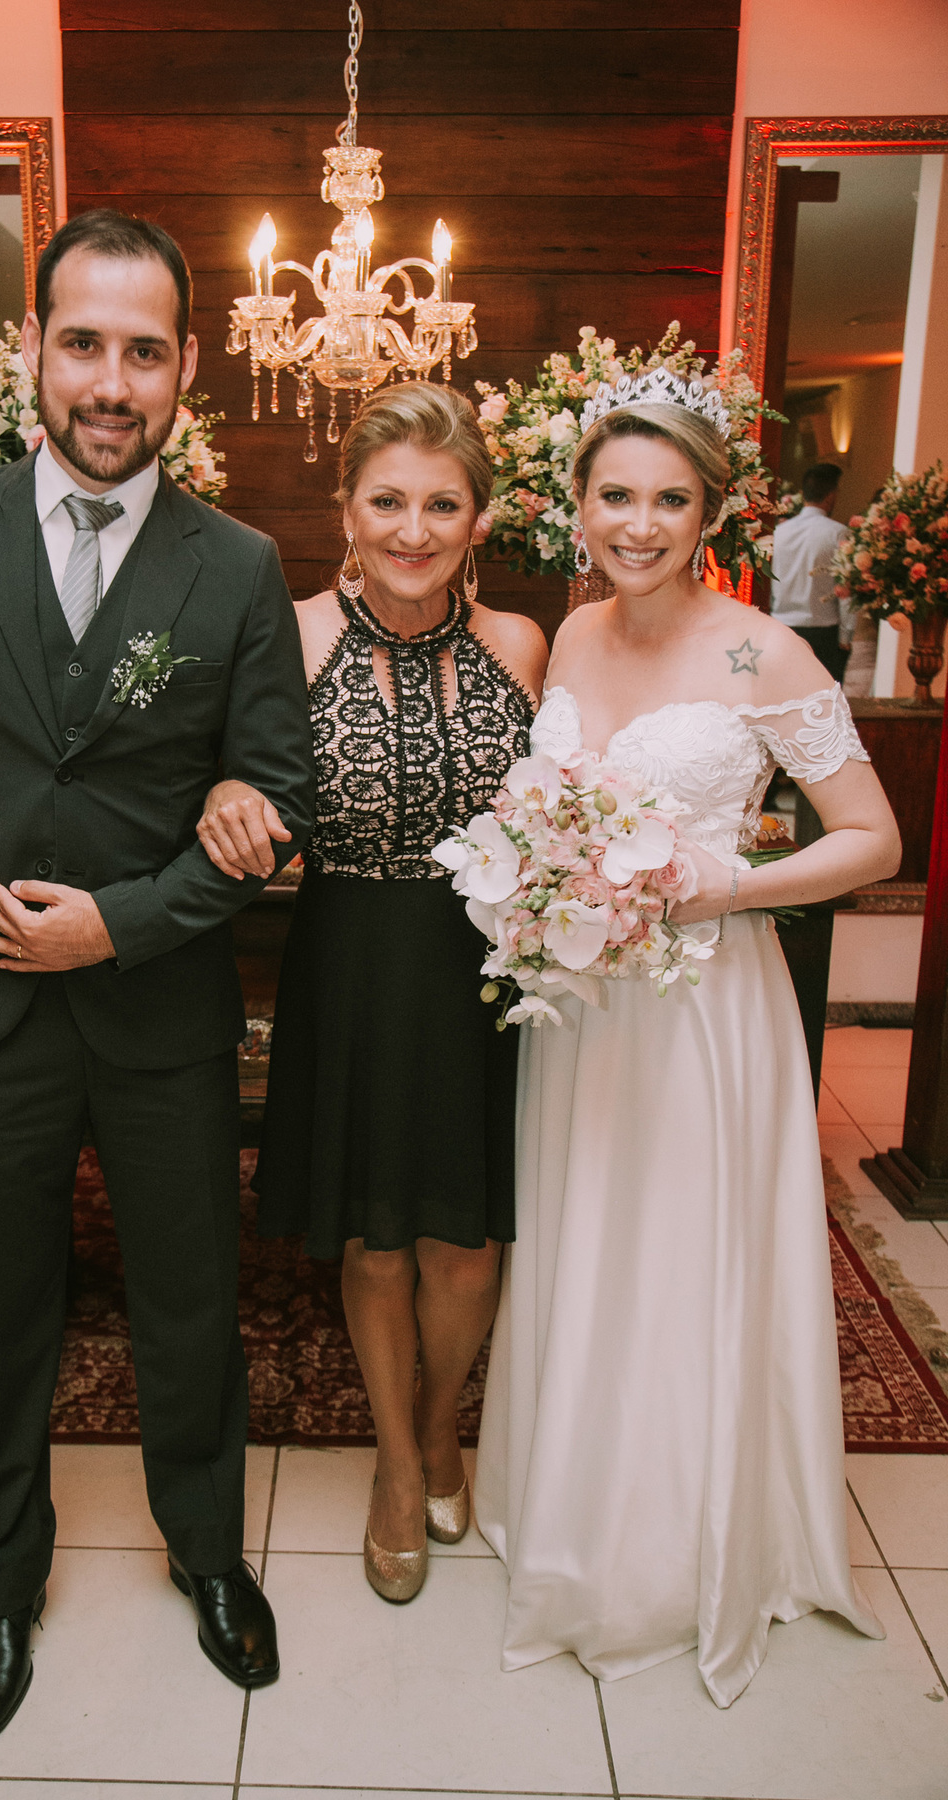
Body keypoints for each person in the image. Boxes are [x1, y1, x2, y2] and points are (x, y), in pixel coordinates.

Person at [0, 210, 315, 1737]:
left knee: (189, 1300)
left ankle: (208, 1554)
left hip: (162, 1006)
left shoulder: (237, 566)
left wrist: (117, 923)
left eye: (145, 351)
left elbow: (274, 795)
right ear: (34, 349)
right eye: (86, 343)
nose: (113, 381)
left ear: (188, 366)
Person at [473, 379, 900, 1707]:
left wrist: (730, 884)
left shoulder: (763, 655)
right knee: (585, 1238)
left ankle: (673, 1546)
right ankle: (571, 1509)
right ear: (578, 506)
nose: (640, 523)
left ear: (713, 512)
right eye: (617, 495)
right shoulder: (570, 634)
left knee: (679, 1253)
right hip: (582, 1010)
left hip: (705, 1002)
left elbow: (873, 840)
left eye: (670, 500)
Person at [198, 384, 548, 1604]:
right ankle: (400, 1468)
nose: (413, 529)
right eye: (388, 501)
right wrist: (223, 794)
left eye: (441, 505)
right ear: (346, 510)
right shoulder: (289, 637)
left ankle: (443, 1423)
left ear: (479, 519)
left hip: (484, 975)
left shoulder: (522, 646)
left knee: (469, 1247)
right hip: (350, 961)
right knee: (377, 1241)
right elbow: (228, 777)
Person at [769, 461, 852, 682]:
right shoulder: (838, 533)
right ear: (831, 496)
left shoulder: (778, 532)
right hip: (823, 633)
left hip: (781, 626)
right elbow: (845, 589)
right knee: (823, 697)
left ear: (803, 493)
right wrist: (846, 636)